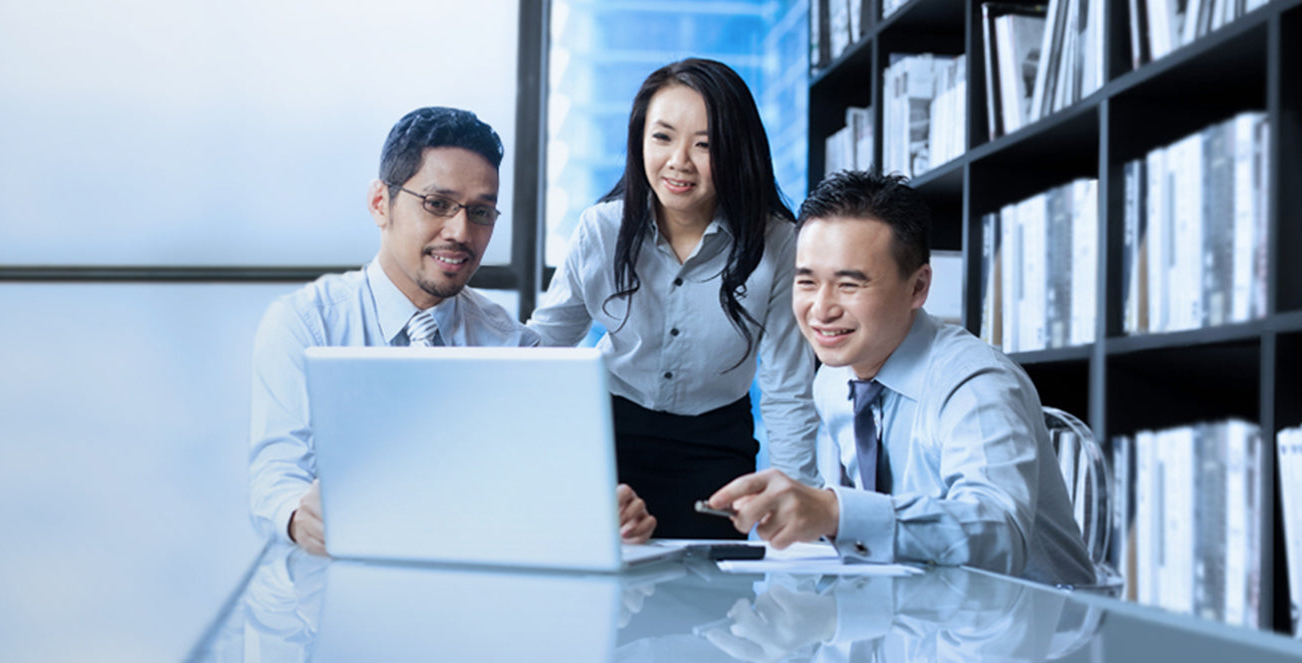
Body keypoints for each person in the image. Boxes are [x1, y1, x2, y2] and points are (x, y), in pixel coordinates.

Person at [248, 107, 657, 555]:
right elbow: (274, 476)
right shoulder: (306, 325)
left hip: (474, 593)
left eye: (481, 212)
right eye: (438, 204)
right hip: (335, 586)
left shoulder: (513, 347)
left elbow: (537, 490)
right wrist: (297, 515)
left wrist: (601, 514)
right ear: (380, 203)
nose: (461, 232)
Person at [707, 170, 1095, 585]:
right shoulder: (833, 382)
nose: (821, 309)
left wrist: (836, 513)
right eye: (807, 282)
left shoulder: (977, 383)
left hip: (1026, 635)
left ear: (918, 287)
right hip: (919, 620)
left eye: (849, 285)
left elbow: (999, 535)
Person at [527, 58, 819, 539]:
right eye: (662, 137)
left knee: (712, 601)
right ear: (640, 140)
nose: (679, 161)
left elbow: (787, 387)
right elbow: (541, 351)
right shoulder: (601, 230)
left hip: (716, 449)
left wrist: (797, 508)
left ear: (737, 151)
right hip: (607, 441)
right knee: (609, 598)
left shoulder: (780, 244)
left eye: (705, 145)